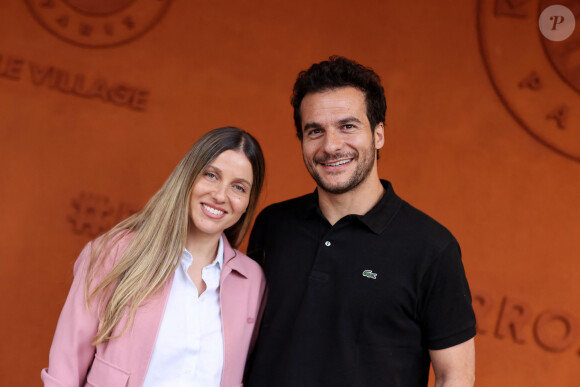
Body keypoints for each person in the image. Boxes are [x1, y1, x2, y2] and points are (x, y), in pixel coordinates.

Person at [246, 57, 476, 386]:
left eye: (347, 126)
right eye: (315, 131)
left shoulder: (432, 249)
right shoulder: (274, 225)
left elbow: (456, 376)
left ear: (379, 134)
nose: (331, 146)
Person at [41, 127, 267, 387]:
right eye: (211, 175)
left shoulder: (253, 282)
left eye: (238, 187)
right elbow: (65, 367)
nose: (220, 195)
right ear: (188, 177)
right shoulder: (115, 252)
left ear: (248, 201)